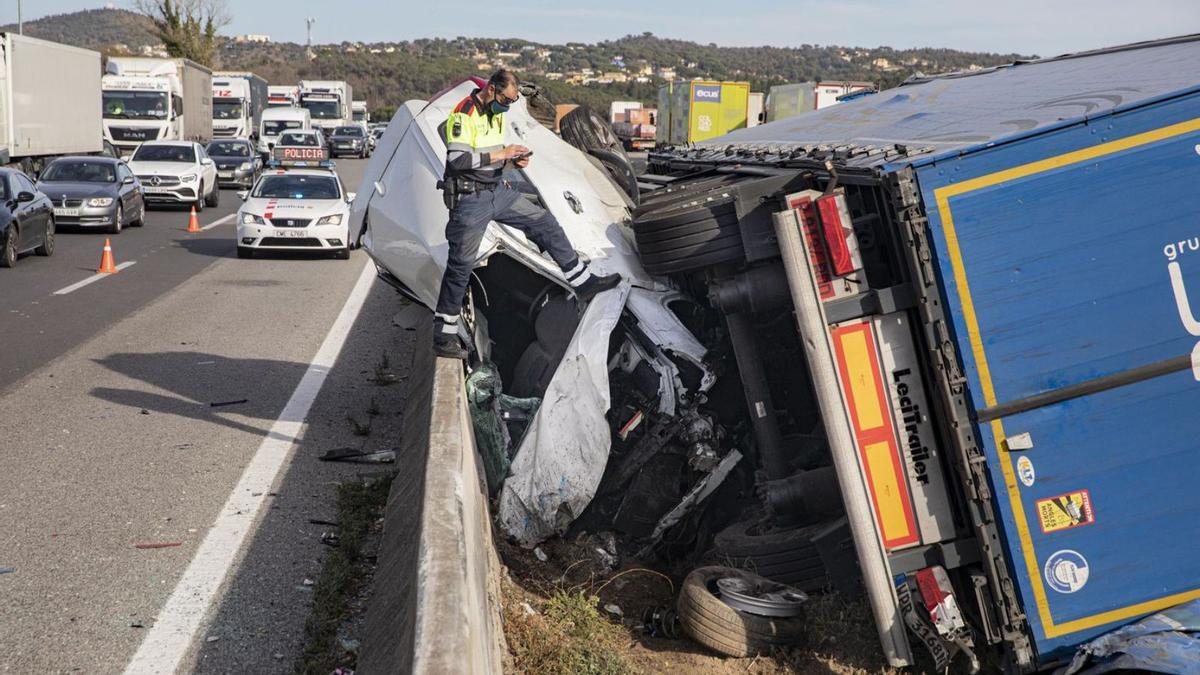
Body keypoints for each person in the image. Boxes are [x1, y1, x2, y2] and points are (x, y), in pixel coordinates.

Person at [432, 69, 621, 359]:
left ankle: (582, 282)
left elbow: (490, 156)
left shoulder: (496, 115)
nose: (507, 106)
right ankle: (443, 334)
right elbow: (458, 160)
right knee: (460, 265)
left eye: (511, 102)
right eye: (505, 100)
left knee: (543, 222)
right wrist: (502, 154)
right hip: (470, 199)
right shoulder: (464, 113)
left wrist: (511, 164)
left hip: (496, 190)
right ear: (492, 89)